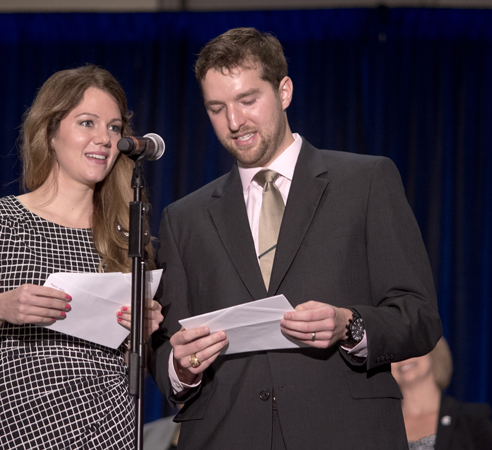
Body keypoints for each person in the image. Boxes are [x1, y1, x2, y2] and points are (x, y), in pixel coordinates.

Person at [150, 27, 442, 450]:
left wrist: (350, 325)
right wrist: (181, 365)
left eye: (248, 100)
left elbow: (419, 316)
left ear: (284, 91)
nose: (234, 122)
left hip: (346, 434)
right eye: (217, 108)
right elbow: (166, 351)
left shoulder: (366, 181)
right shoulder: (183, 218)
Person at [0, 64, 163, 450]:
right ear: (51, 133)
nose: (104, 139)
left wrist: (141, 334)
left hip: (110, 432)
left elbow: (128, 370)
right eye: (87, 122)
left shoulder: (126, 235)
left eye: (113, 127)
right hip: (16, 430)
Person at [392, 337, 492, 450]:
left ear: (434, 352)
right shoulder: (377, 426)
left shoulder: (471, 419)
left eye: (412, 348)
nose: (404, 357)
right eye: (394, 352)